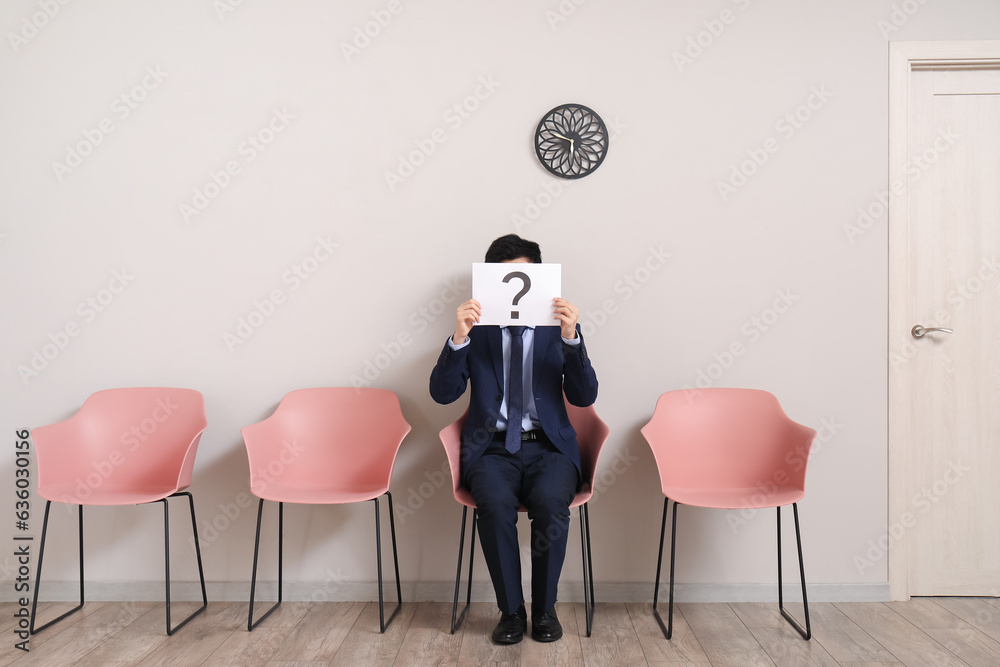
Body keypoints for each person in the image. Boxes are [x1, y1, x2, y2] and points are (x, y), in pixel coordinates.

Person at [429, 234, 599, 644]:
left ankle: (544, 610)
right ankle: (510, 612)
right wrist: (458, 338)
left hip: (549, 448)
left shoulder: (556, 331)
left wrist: (572, 338)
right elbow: (442, 393)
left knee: (550, 504)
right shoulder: (478, 332)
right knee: (494, 506)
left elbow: (584, 396)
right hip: (491, 449)